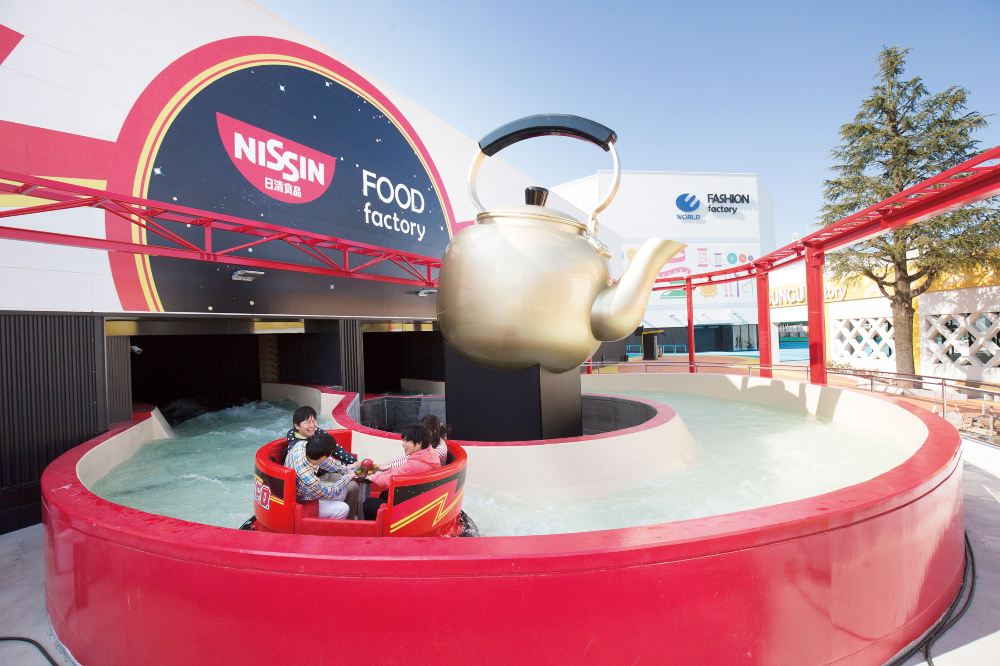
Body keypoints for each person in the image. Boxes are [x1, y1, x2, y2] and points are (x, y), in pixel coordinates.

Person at [362, 423, 441, 520]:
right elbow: (397, 470)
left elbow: (387, 480)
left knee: (368, 504)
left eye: (407, 441)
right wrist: (378, 472)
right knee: (385, 494)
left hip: (413, 506)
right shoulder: (429, 454)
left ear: (419, 443)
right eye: (403, 440)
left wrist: (371, 476)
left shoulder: (415, 464)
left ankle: (375, 527)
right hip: (421, 499)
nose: (403, 444)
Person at [286, 432, 361, 519]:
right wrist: (349, 476)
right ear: (322, 457)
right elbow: (330, 491)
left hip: (302, 488)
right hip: (301, 501)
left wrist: (348, 470)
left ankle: (350, 518)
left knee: (349, 486)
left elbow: (328, 463)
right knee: (344, 505)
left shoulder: (301, 445)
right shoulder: (309, 479)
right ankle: (347, 522)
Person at [286, 405, 356, 466]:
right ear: (297, 426)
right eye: (307, 422)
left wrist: (353, 462)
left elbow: (334, 447)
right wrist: (345, 467)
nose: (312, 425)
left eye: (314, 421)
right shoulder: (295, 446)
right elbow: (316, 463)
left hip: (328, 466)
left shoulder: (317, 432)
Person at [378, 414, 449, 470]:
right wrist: (385, 465)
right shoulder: (431, 441)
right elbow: (407, 458)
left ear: (434, 431)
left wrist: (387, 467)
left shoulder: (437, 451)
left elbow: (411, 462)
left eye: (425, 431)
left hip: (429, 475)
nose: (422, 433)